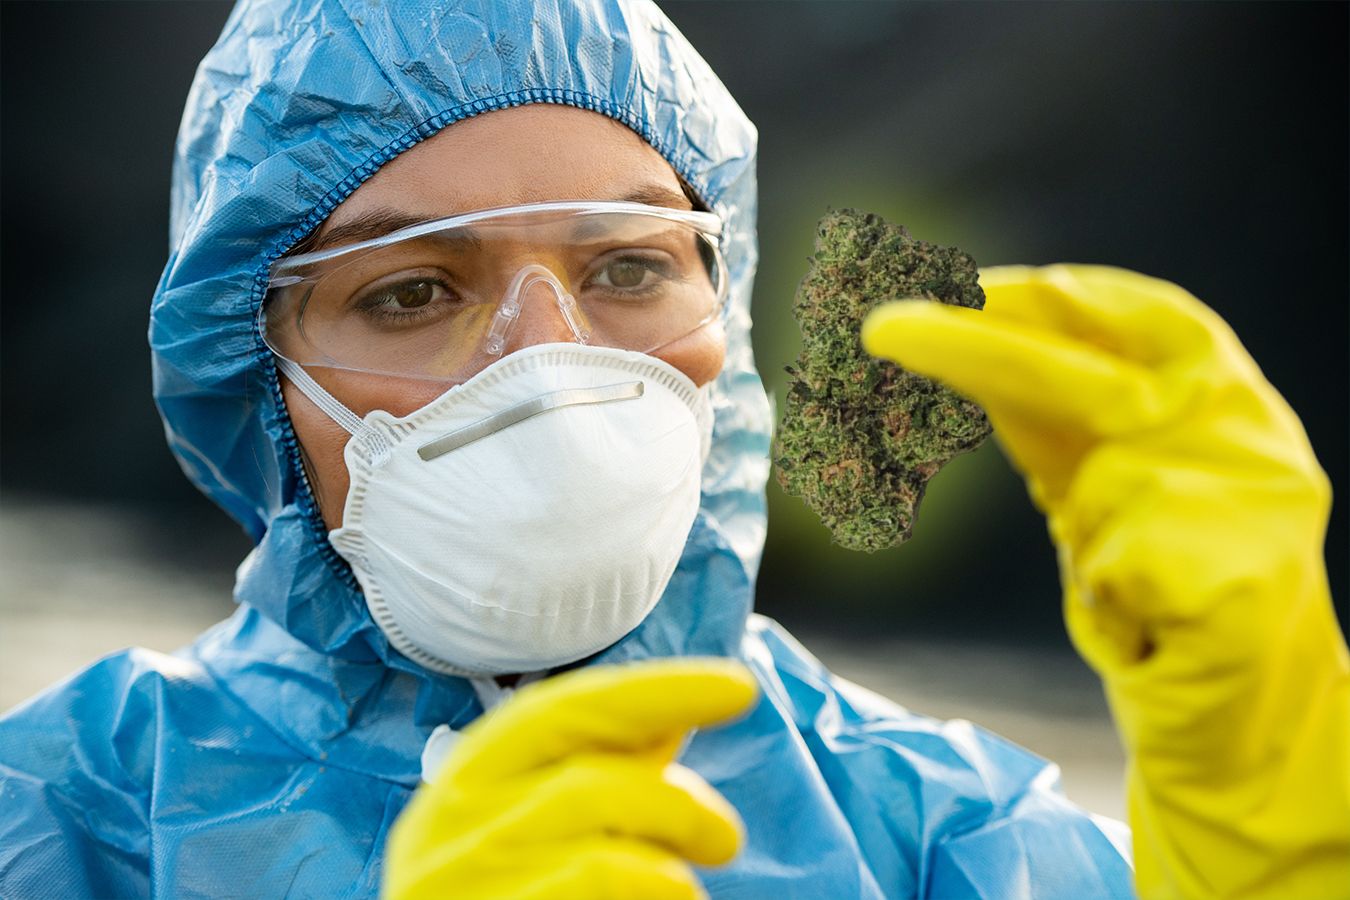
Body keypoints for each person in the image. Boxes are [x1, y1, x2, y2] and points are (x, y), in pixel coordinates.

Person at [0, 2, 1344, 899]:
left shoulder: (930, 835)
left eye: (631, 266)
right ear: (254, 381)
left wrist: (1268, 842)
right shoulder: (68, 820)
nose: (547, 363)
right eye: (410, 293)